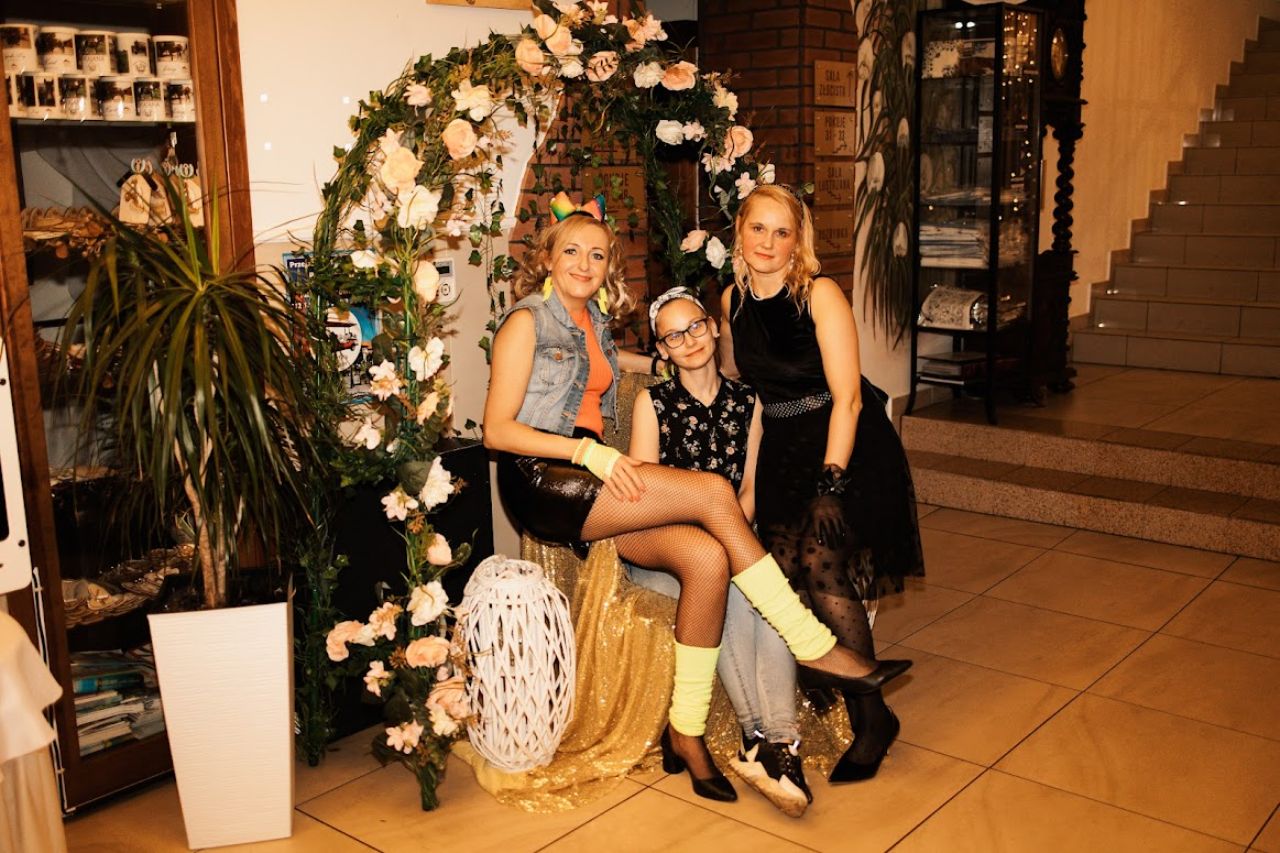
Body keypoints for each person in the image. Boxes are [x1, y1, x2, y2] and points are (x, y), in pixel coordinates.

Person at [482, 195, 911, 803]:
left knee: (710, 559)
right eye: (571, 251)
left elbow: (616, 362)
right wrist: (593, 454)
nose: (584, 264)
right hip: (544, 476)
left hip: (587, 476)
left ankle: (686, 732)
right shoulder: (526, 322)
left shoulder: (591, 322)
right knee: (712, 491)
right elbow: (495, 431)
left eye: (598, 255)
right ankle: (813, 646)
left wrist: (667, 356)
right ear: (547, 258)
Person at [718, 185, 926, 783]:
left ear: (797, 242)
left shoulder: (819, 294)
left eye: (782, 232)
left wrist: (830, 484)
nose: (768, 243)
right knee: (778, 568)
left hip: (845, 443)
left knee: (819, 560)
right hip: (782, 447)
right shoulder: (731, 299)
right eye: (758, 228)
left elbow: (849, 397)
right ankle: (819, 681)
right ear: (740, 231)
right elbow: (740, 379)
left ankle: (871, 718)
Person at [628, 287, 809, 817]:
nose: (688, 340)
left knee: (757, 589)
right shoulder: (652, 403)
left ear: (712, 327)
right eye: (673, 336)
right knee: (719, 579)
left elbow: (749, 488)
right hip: (665, 550)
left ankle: (778, 742)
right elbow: (646, 497)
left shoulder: (749, 401)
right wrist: (714, 547)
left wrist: (731, 538)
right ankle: (760, 737)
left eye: (695, 326)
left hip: (733, 540)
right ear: (662, 350)